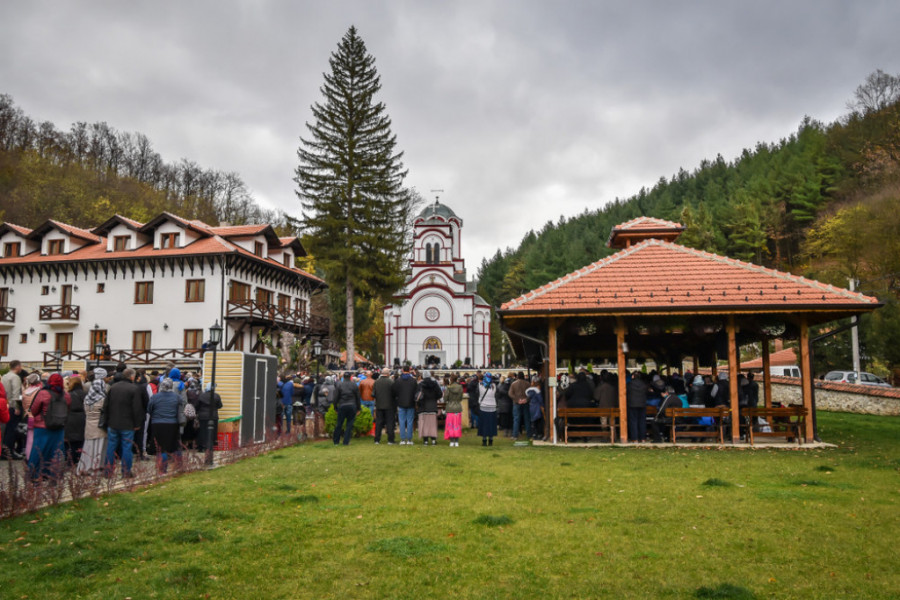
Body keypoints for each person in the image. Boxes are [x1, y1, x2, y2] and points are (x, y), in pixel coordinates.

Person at [27, 373, 71, 482]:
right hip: (59, 427)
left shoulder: (43, 393)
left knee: (38, 451)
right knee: (56, 452)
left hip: (42, 427)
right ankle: (54, 475)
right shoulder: (66, 395)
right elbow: (68, 409)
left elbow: (33, 410)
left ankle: (35, 475)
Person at [104, 368, 143, 478]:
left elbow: (106, 406)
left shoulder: (113, 387)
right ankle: (126, 471)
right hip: (127, 423)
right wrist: (137, 424)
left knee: (111, 447)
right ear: (132, 377)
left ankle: (108, 471)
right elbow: (137, 409)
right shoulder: (134, 389)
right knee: (126, 447)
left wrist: (107, 420)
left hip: (113, 422)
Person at [147, 378, 182, 473]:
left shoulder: (155, 397)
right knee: (175, 445)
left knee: (160, 447)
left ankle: (162, 468)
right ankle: (179, 466)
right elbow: (181, 408)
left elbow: (149, 409)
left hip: (157, 424)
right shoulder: (177, 397)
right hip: (172, 423)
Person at [77, 368, 108, 475]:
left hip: (89, 424)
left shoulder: (87, 399)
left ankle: (86, 466)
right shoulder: (103, 399)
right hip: (99, 426)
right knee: (99, 447)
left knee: (88, 446)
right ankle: (96, 467)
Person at [1, 360, 23, 460]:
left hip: (5, 405)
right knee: (12, 430)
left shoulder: (5, 376)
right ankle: (9, 452)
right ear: (17, 366)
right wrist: (18, 407)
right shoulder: (15, 377)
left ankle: (3, 450)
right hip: (12, 406)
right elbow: (16, 393)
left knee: (5, 430)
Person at [332, 371, 360, 445]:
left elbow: (336, 397)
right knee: (349, 424)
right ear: (350, 377)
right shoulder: (354, 385)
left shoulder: (339, 385)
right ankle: (346, 441)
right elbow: (358, 397)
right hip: (352, 405)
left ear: (343, 377)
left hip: (342, 405)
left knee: (339, 423)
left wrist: (335, 407)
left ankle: (336, 441)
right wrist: (358, 408)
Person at [392, 366, 418, 445]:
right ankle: (409, 439)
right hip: (410, 403)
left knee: (402, 421)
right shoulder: (413, 381)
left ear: (402, 370)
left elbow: (394, 392)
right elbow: (416, 392)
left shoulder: (398, 380)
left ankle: (403, 439)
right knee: (410, 421)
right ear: (409, 370)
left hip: (401, 403)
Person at [64, 375, 87, 465]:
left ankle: (71, 460)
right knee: (81, 440)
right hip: (82, 417)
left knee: (71, 441)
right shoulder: (85, 393)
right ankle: (79, 458)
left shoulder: (68, 394)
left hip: (70, 417)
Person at [416, 371, 442, 445]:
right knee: (432, 425)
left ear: (423, 376)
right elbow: (440, 394)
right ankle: (433, 440)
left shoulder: (420, 384)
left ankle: (425, 441)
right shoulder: (435, 384)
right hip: (432, 406)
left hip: (423, 407)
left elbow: (417, 395)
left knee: (424, 425)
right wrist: (434, 398)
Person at [195, 383, 222, 453]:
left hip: (203, 416)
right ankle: (210, 446)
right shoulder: (216, 396)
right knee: (212, 431)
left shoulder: (201, 396)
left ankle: (201, 447)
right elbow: (220, 405)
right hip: (213, 416)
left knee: (202, 431)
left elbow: (197, 406)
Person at [21, 373, 42, 460]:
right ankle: (37, 456)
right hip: (37, 417)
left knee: (29, 438)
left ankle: (28, 455)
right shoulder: (39, 391)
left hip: (28, 416)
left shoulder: (25, 392)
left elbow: (23, 405)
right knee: (37, 438)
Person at [373, 368, 396, 444]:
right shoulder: (391, 382)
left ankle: (377, 439)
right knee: (390, 423)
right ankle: (390, 440)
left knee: (379, 423)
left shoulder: (376, 382)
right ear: (388, 373)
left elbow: (373, 394)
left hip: (379, 405)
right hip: (389, 405)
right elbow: (394, 394)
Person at [626, 372, 649, 443]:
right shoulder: (644, 384)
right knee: (642, 421)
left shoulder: (629, 384)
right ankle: (643, 438)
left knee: (633, 421)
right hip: (642, 405)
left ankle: (634, 438)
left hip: (632, 404)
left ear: (633, 376)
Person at [477, 373, 498, 446]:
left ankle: (484, 439)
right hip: (492, 407)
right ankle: (491, 440)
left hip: (483, 406)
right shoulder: (493, 386)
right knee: (491, 424)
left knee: (484, 424)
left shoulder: (480, 385)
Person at [443, 374, 464, 447]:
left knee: (450, 425)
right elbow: (461, 398)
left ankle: (452, 441)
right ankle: (457, 441)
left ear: (451, 379)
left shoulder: (448, 388)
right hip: (457, 407)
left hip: (450, 407)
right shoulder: (460, 387)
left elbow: (445, 398)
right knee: (457, 425)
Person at [509, 371, 530, 440]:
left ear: (517, 376)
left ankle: (515, 435)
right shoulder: (527, 384)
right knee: (527, 419)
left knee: (516, 419)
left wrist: (518, 400)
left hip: (516, 403)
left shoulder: (513, 384)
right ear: (523, 376)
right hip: (525, 403)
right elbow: (530, 393)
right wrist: (526, 399)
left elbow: (510, 394)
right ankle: (529, 434)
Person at [495, 373, 513, 437]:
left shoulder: (500, 388)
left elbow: (497, 396)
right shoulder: (510, 388)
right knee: (510, 419)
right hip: (510, 405)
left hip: (503, 405)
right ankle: (510, 431)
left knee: (504, 419)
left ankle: (506, 432)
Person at [527, 376, 544, 440]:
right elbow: (540, 399)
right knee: (539, 421)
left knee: (533, 422)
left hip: (531, 406)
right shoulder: (537, 390)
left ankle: (534, 434)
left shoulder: (530, 390)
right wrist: (543, 405)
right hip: (537, 406)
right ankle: (539, 434)